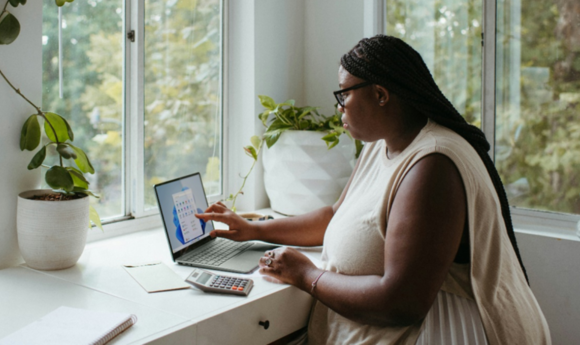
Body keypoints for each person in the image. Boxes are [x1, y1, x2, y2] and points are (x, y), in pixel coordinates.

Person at [196, 35, 551, 344]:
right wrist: (254, 229)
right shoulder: (381, 145)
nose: (339, 107)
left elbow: (400, 303)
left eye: (343, 94)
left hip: (444, 332)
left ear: (380, 94)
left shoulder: (433, 165)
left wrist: (306, 275)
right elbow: (335, 215)